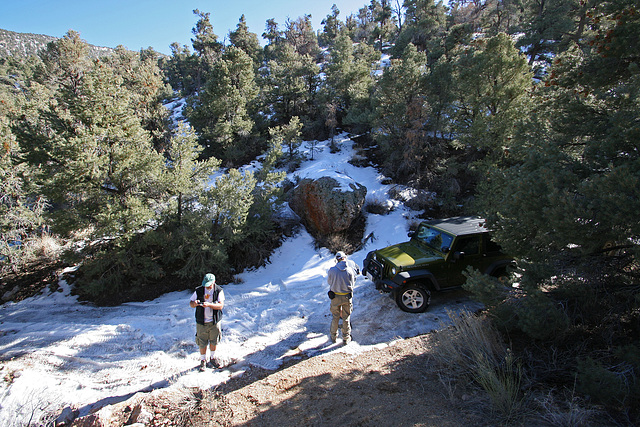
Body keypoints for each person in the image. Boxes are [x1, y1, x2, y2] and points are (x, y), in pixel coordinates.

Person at [189, 273, 225, 371]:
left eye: (209, 284)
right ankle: (203, 360)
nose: (207, 286)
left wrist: (209, 305)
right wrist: (195, 304)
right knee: (202, 342)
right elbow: (191, 303)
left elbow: (221, 306)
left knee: (214, 340)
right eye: (206, 284)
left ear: (214, 282)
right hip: (201, 322)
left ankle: (212, 358)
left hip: (214, 321)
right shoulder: (199, 290)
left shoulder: (218, 291)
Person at [327, 251, 360, 345]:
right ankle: (346, 337)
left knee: (335, 317)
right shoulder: (350, 270)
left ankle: (333, 336)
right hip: (346, 297)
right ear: (345, 258)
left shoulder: (332, 270)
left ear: (336, 259)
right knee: (346, 317)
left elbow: (329, 282)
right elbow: (352, 284)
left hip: (335, 297)